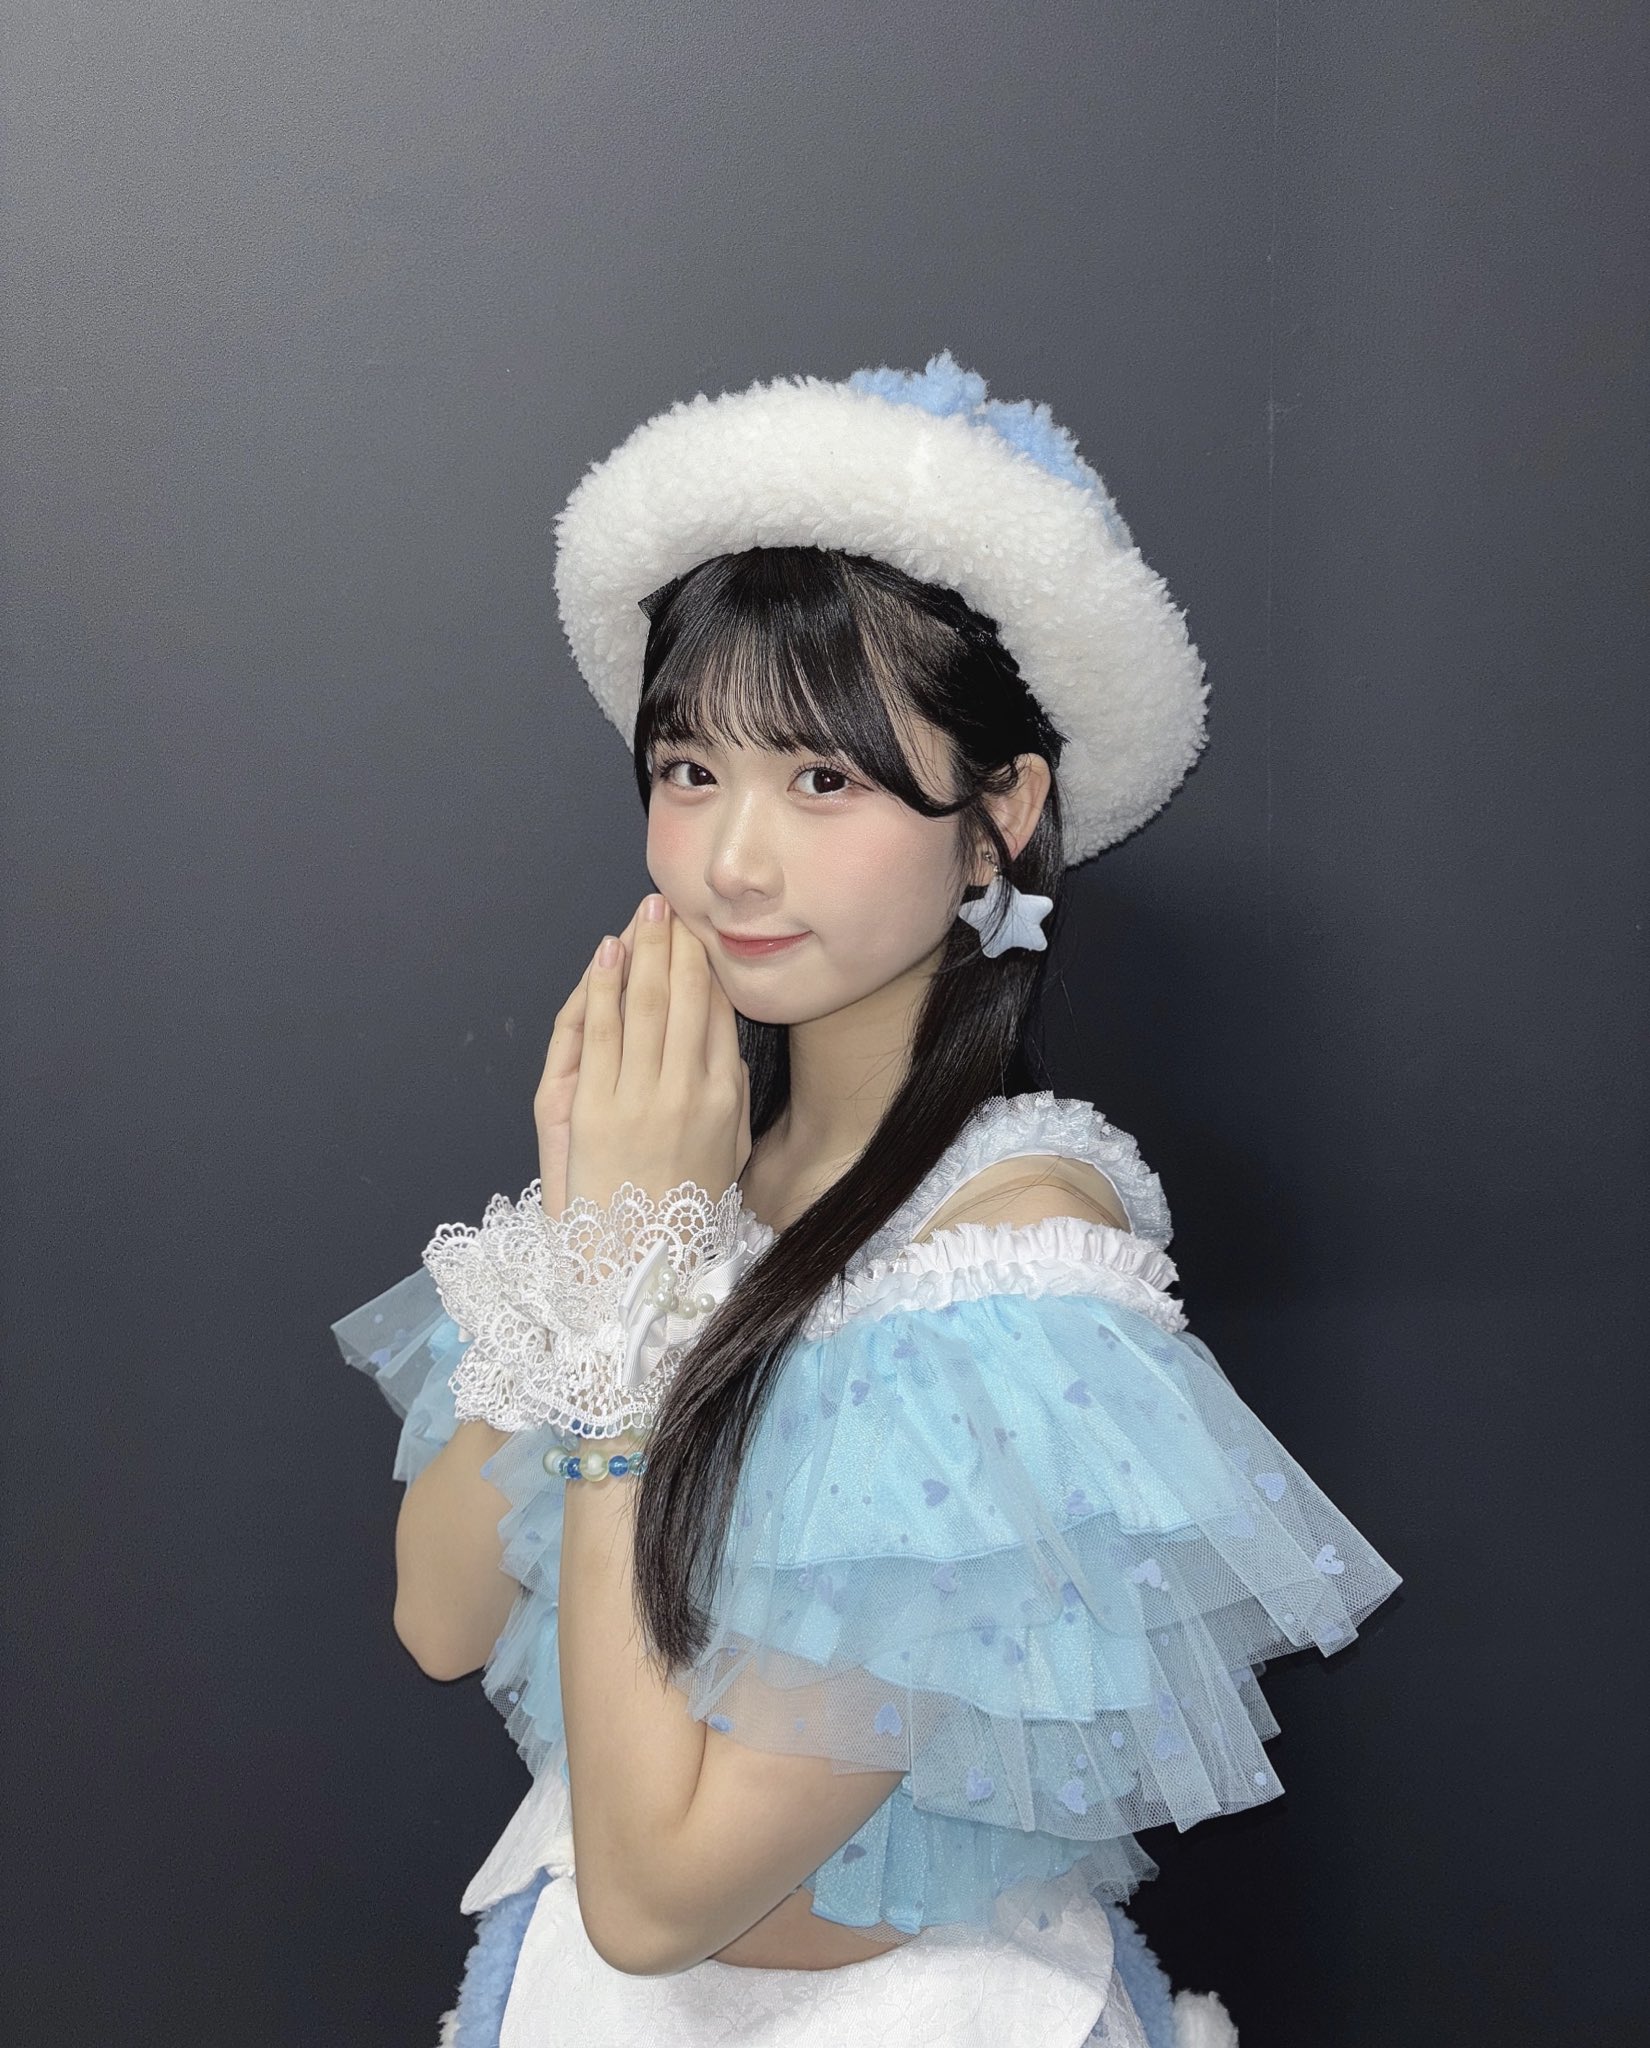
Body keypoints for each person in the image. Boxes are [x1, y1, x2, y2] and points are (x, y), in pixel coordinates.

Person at [332, 351, 1402, 2046]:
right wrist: (616, 1235)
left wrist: (630, 1310)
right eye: (690, 771)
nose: (729, 860)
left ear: (998, 819)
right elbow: (438, 1621)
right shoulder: (688, 1170)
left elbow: (660, 1896)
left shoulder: (1010, 1260)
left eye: (821, 780)